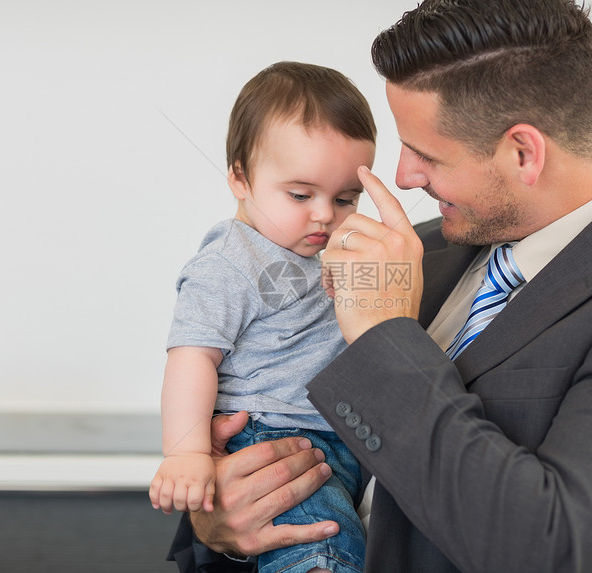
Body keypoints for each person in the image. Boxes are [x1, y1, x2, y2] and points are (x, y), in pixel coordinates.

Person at [169, 1, 592, 572]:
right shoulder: (416, 248)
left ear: (523, 152)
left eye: (426, 153)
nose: (402, 177)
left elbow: (552, 552)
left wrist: (385, 337)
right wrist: (223, 523)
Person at [151, 61, 376, 573]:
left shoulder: (313, 257)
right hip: (272, 436)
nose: (324, 214)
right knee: (321, 550)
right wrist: (184, 453)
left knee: (333, 543)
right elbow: (191, 359)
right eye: (301, 195)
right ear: (239, 177)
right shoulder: (229, 262)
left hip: (328, 438)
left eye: (345, 198)